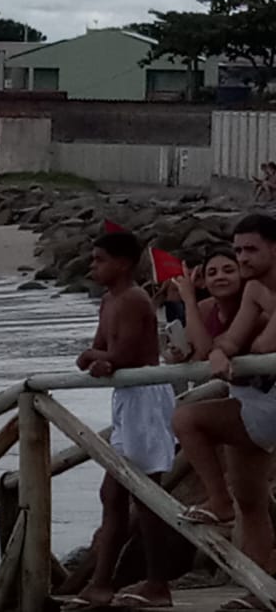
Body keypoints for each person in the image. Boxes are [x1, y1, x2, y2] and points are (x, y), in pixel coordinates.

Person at [68, 230, 176, 610]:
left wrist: (99, 358)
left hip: (144, 396)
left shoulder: (133, 298)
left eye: (100, 259)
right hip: (126, 398)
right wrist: (96, 357)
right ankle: (101, 582)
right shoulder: (109, 301)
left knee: (145, 495)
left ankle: (157, 583)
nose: (92, 265)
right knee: (111, 494)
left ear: (124, 263)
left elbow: (126, 353)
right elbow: (103, 348)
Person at [173, 214, 276, 602]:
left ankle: (217, 501)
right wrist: (220, 352)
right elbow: (231, 341)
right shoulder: (253, 291)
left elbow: (265, 345)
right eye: (237, 249)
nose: (243, 258)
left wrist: (236, 350)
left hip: (271, 401)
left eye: (251, 249)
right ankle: (259, 589)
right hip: (254, 399)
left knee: (187, 418)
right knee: (250, 500)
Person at [163, 247, 243, 363]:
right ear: (205, 282)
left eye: (228, 271)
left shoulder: (251, 306)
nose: (220, 277)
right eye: (212, 273)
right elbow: (188, 348)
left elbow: (205, 352)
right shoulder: (204, 308)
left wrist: (189, 299)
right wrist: (177, 353)